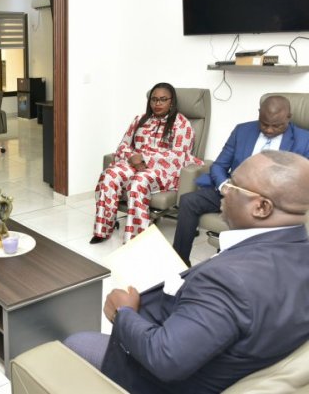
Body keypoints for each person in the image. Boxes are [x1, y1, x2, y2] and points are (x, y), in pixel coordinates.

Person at [66, 150, 309, 393]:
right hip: (221, 356)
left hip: (162, 382)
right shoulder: (298, 251)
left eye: (232, 185)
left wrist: (124, 313)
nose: (222, 190)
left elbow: (164, 359)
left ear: (262, 207)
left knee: (75, 343)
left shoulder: (229, 280)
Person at [172, 95, 309, 266]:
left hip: (269, 202)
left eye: (276, 126)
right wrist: (225, 186)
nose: (269, 130)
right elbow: (219, 165)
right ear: (259, 114)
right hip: (234, 191)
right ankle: (179, 262)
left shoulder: (304, 140)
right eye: (264, 124)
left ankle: (234, 265)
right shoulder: (242, 131)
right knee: (188, 201)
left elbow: (301, 182)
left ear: (289, 117)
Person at [91, 82, 202, 244]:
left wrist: (144, 158)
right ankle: (103, 229)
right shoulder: (140, 120)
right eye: (154, 99)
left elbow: (179, 156)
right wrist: (133, 157)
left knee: (139, 181)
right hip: (134, 164)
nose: (157, 103)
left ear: (171, 102)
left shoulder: (181, 123)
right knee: (109, 175)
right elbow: (123, 145)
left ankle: (135, 240)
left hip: (163, 171)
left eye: (163, 99)